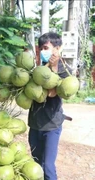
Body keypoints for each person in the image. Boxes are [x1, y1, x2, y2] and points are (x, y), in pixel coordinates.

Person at [28, 32, 72, 180]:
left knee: (47, 166)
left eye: (46, 47)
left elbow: (52, 93)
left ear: (57, 49)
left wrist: (53, 67)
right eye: (40, 48)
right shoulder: (36, 70)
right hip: (35, 124)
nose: (42, 51)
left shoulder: (65, 72)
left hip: (51, 126)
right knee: (36, 163)